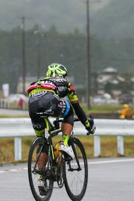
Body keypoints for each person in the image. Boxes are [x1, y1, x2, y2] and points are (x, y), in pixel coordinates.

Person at [26, 63, 95, 194]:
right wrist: (87, 125)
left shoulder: (40, 81)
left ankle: (41, 179)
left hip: (32, 103)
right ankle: (64, 143)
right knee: (69, 111)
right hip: (50, 99)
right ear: (63, 74)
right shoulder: (66, 82)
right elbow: (77, 107)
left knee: (43, 139)